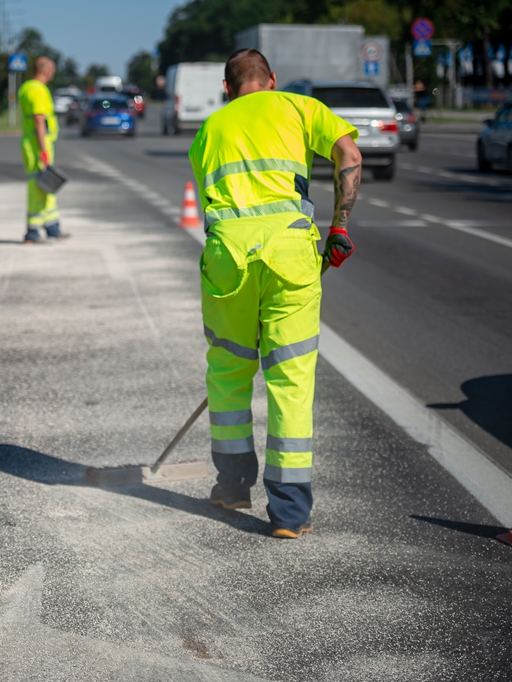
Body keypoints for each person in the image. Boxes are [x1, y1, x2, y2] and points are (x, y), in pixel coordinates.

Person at [188, 49, 361, 538]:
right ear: (272, 81)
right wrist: (339, 228)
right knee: (290, 379)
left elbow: (211, 204)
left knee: (227, 371)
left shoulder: (209, 130)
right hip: (290, 256)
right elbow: (350, 156)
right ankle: (288, 513)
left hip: (228, 260)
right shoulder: (301, 107)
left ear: (227, 88)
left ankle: (234, 485)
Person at [18, 56, 68, 243]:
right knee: (38, 187)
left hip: (32, 144)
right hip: (38, 145)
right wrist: (43, 149)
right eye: (52, 71)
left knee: (47, 185)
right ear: (46, 71)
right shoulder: (39, 90)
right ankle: (32, 232)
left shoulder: (26, 87)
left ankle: (52, 228)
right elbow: (40, 120)